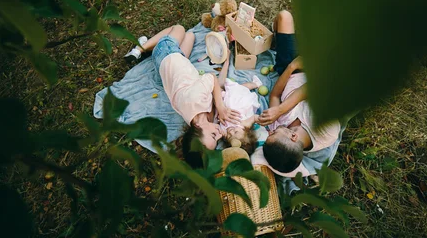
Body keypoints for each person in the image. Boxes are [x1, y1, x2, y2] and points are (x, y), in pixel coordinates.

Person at [123, 25, 241, 167]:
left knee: (179, 28)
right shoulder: (202, 121)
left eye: (214, 135)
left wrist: (221, 107)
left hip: (166, 55)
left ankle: (139, 49)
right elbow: (219, 89)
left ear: (197, 127)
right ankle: (147, 47)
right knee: (190, 35)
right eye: (217, 139)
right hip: (174, 67)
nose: (220, 134)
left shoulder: (194, 101)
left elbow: (212, 78)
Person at [258, 11, 340, 173]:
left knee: (284, 16)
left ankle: (281, 40)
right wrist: (281, 109)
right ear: (293, 137)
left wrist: (291, 67)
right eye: (274, 133)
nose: (271, 130)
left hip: (290, 70)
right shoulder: (325, 130)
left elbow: (274, 95)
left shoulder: (280, 127)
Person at [214, 51, 266, 155]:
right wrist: (255, 120)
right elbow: (256, 117)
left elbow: (218, 129)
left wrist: (222, 134)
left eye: (229, 136)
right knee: (243, 88)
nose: (231, 131)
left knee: (226, 88)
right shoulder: (244, 125)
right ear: (247, 132)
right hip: (241, 100)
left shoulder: (223, 132)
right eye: (236, 132)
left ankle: (227, 63)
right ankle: (255, 84)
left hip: (227, 102)